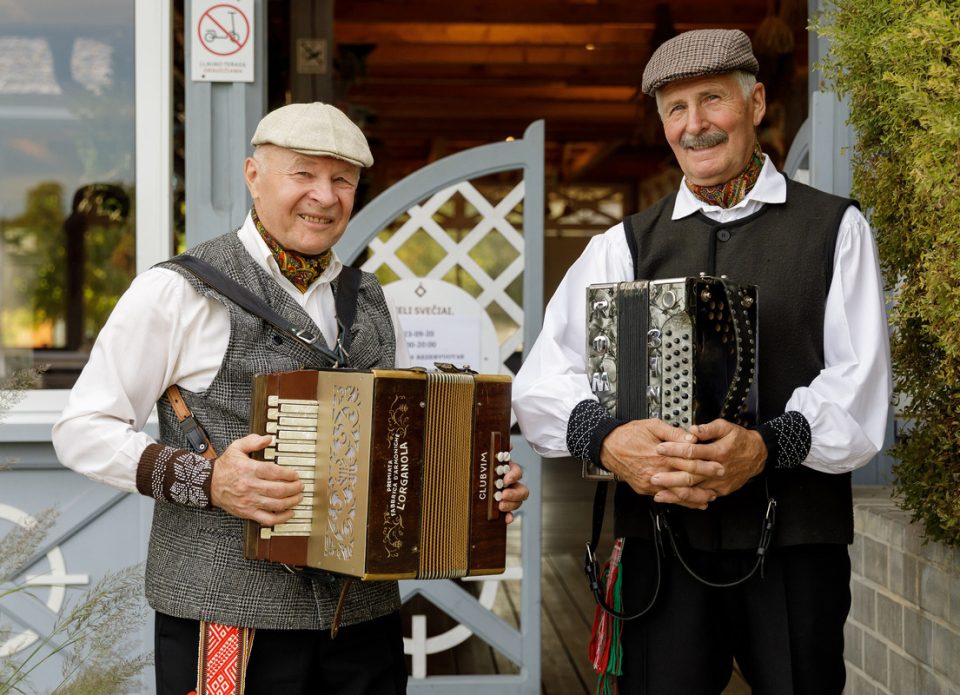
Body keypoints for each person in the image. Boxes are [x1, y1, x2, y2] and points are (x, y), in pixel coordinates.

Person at [53, 102, 529, 695]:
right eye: (303, 174)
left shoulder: (371, 298)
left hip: (361, 617)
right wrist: (206, 481)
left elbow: (395, 451)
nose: (324, 197)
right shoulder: (176, 290)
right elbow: (81, 428)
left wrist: (473, 486)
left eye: (342, 180)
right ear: (254, 176)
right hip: (225, 613)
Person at [512, 29, 891, 695]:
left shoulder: (835, 228)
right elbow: (543, 380)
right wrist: (606, 438)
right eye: (675, 109)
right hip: (660, 549)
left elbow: (858, 386)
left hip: (796, 546)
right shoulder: (622, 244)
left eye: (712, 100)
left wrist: (766, 446)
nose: (695, 125)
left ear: (757, 102)